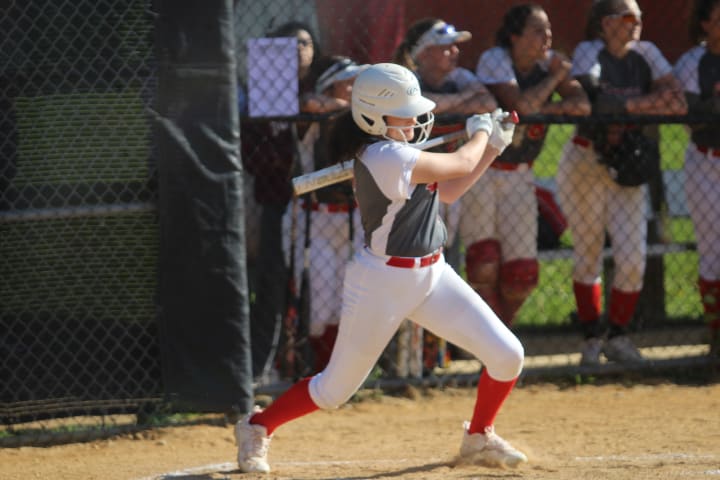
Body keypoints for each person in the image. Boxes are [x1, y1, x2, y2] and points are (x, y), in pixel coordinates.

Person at [234, 63, 527, 473]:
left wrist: (492, 145)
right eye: (403, 115)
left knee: (508, 355)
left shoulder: (402, 153)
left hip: (432, 274)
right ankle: (257, 426)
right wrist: (480, 132)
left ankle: (479, 436)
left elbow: (451, 190)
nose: (414, 121)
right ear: (373, 116)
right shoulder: (385, 156)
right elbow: (460, 163)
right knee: (333, 390)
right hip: (382, 283)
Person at [556, 0, 687, 366]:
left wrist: (625, 107)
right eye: (629, 17)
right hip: (586, 161)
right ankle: (591, 338)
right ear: (607, 23)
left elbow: (676, 101)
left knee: (632, 258)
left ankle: (618, 335)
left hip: (627, 161)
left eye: (638, 16)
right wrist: (646, 102)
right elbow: (594, 101)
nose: (637, 23)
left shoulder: (647, 52)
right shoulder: (589, 51)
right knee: (588, 252)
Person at [469, 4, 590, 326]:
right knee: (484, 265)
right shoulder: (496, 58)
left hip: (521, 174)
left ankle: (500, 335)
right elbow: (521, 105)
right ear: (515, 36)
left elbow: (582, 105)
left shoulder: (547, 66)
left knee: (521, 275)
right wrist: (555, 78)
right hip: (483, 172)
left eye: (548, 30)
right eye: (537, 31)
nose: (547, 37)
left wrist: (544, 109)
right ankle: (479, 340)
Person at [393, 18, 498, 372]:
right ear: (423, 53)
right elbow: (422, 105)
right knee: (418, 264)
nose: (454, 52)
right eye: (445, 47)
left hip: (453, 179)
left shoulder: (461, 78)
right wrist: (459, 102)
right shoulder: (408, 82)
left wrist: (446, 102)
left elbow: (486, 102)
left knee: (447, 258)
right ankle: (407, 360)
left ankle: (436, 355)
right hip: (415, 188)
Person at [241, 21, 323, 382]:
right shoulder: (266, 92)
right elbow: (254, 156)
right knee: (272, 285)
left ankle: (306, 366)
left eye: (306, 43)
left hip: (320, 206)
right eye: (290, 44)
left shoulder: (322, 86)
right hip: (276, 203)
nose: (300, 50)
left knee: (313, 285)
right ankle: (262, 369)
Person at [287, 55, 367, 372]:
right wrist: (349, 108)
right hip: (316, 219)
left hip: (354, 218)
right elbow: (308, 102)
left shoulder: (361, 122)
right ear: (330, 86)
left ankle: (335, 374)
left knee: (348, 305)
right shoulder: (315, 117)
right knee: (320, 309)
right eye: (348, 82)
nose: (354, 88)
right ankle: (312, 371)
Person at [674, 0, 720, 356]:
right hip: (706, 162)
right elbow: (693, 118)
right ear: (705, 24)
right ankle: (716, 339)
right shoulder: (693, 62)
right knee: (712, 254)